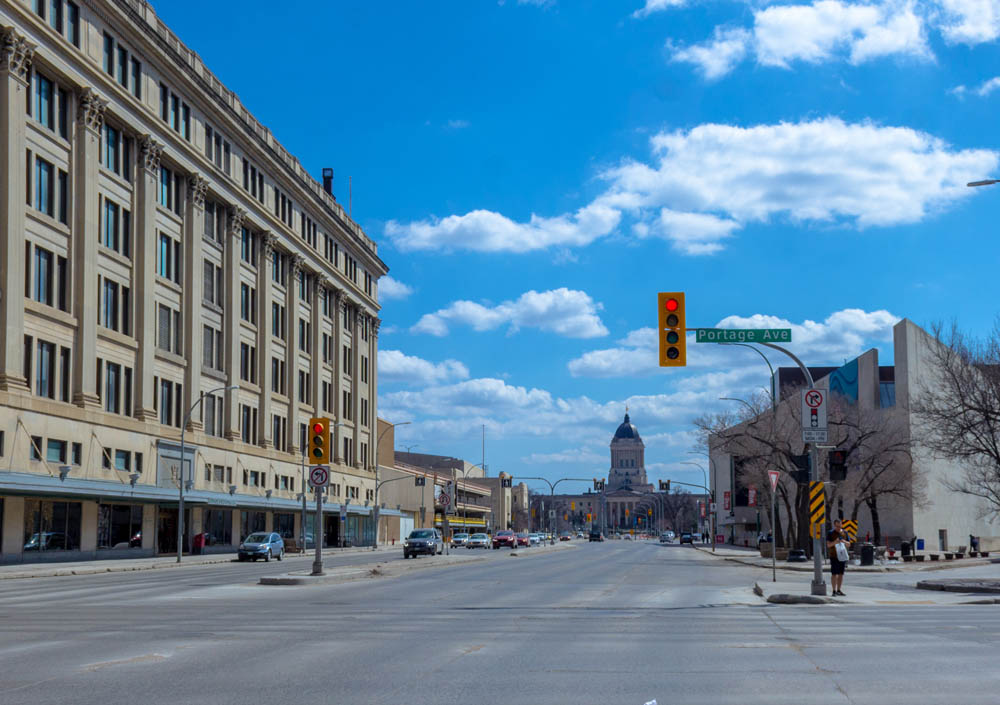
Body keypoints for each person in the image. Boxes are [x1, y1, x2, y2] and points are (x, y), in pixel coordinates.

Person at [827, 519, 849, 596]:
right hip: (834, 556)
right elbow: (828, 545)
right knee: (834, 574)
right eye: (837, 526)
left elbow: (849, 544)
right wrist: (835, 542)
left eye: (840, 526)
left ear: (841, 525)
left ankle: (839, 590)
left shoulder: (845, 533)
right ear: (834, 525)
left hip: (842, 556)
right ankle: (833, 590)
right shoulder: (831, 533)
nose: (838, 528)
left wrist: (844, 541)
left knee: (841, 574)